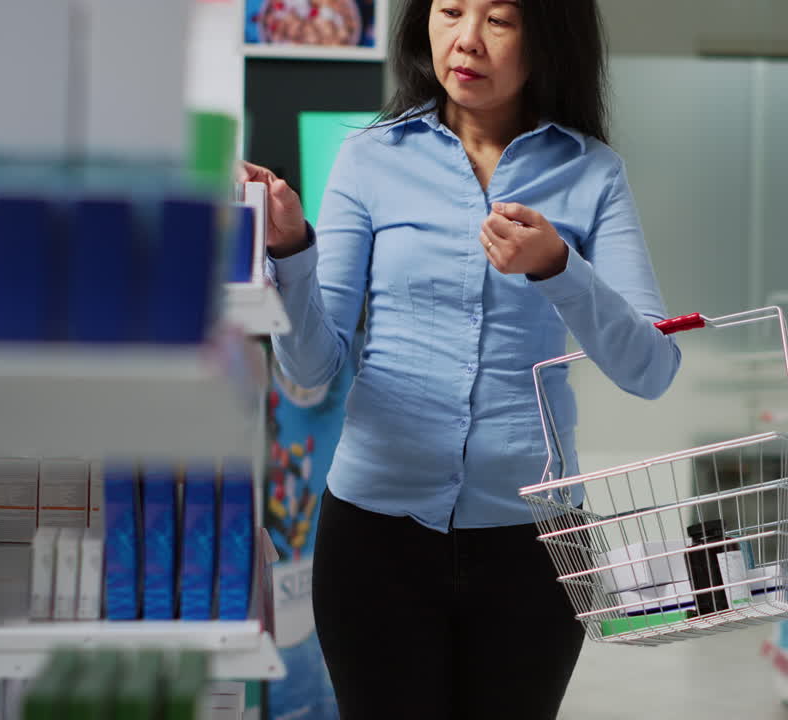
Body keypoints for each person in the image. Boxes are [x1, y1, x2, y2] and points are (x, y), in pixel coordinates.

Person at [240, 1, 681, 718]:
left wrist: (559, 268)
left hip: (536, 542)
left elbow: (653, 369)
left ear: (548, 38)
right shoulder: (371, 157)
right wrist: (290, 251)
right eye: (449, 11)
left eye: (499, 19)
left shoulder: (592, 173)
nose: (466, 39)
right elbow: (312, 370)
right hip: (375, 538)